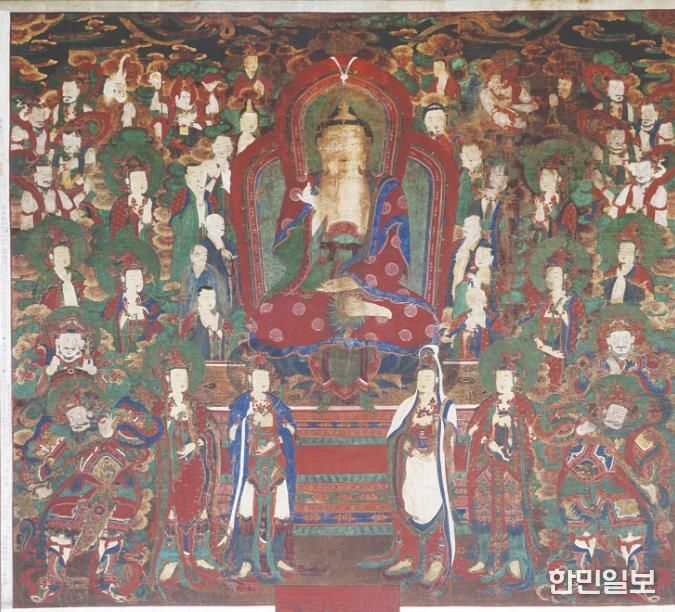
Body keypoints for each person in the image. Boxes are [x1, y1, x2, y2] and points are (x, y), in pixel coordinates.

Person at [250, 101, 437, 355]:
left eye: (352, 143)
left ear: (366, 146)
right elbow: (286, 250)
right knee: (269, 318)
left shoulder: (385, 188)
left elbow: (393, 253)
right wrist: (316, 212)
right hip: (317, 277)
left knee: (420, 321)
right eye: (334, 143)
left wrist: (353, 282)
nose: (343, 150)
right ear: (320, 146)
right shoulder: (306, 186)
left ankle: (372, 309)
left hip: (370, 280)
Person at [23, 389, 160, 603]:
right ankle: (52, 581)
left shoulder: (115, 426)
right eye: (70, 417)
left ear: (90, 413)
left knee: (114, 532)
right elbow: (46, 467)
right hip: (80, 490)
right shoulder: (67, 440)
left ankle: (107, 580)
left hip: (119, 489)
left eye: (79, 414)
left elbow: (145, 440)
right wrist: (46, 465)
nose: (76, 421)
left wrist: (112, 432)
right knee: (61, 529)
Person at [359, 345, 456, 588]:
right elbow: (394, 437)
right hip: (411, 465)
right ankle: (409, 555)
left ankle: (436, 558)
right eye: (420, 378)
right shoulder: (406, 407)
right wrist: (407, 445)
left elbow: (450, 436)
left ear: (436, 380)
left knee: (433, 506)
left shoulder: (446, 406)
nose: (423, 383)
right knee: (410, 504)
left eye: (428, 378)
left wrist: (436, 427)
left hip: (434, 468)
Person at [466, 356, 537, 586]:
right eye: (499, 378)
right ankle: (484, 556)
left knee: (513, 511)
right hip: (487, 465)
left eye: (506, 377)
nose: (502, 382)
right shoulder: (488, 404)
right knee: (483, 510)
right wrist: (490, 426)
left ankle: (515, 556)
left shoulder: (523, 405)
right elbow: (471, 430)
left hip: (512, 467)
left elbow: (533, 434)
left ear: (515, 380)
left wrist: (513, 425)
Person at [222, 366, 297, 582]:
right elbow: (232, 433)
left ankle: (278, 556)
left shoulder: (277, 403)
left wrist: (280, 437)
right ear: (249, 379)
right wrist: (248, 425)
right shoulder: (242, 404)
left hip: (275, 463)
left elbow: (291, 429)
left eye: (266, 377)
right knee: (248, 512)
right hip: (251, 465)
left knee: (279, 510)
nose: (263, 381)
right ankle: (245, 559)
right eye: (258, 377)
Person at [152, 353, 220, 587]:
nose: (181, 381)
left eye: (184, 377)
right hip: (168, 467)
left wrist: (196, 442)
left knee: (197, 508)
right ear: (167, 379)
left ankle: (199, 554)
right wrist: (170, 422)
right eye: (177, 376)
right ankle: (170, 558)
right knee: (171, 510)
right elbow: (151, 434)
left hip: (193, 467)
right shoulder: (160, 407)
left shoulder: (196, 407)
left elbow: (212, 432)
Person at [103, 265, 164, 353]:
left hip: (144, 349)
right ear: (124, 280)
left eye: (140, 278)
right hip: (121, 348)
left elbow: (158, 326)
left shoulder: (149, 302)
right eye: (132, 279)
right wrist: (123, 316)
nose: (137, 283)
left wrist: (143, 313)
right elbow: (106, 323)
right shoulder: (115, 302)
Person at [180, 286, 233, 361]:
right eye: (206, 297)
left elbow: (231, 344)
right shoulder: (191, 320)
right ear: (198, 299)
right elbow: (183, 343)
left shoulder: (223, 322)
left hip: (220, 365)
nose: (210, 301)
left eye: (213, 297)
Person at [179, 244, 230, 321]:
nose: (202, 258)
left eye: (205, 255)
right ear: (191, 257)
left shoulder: (213, 272)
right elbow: (184, 297)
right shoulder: (187, 271)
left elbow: (221, 298)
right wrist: (182, 318)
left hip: (209, 314)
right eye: (198, 255)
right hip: (190, 315)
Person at [109, 160, 154, 240]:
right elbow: (116, 231)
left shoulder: (151, 202)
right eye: (135, 179)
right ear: (128, 181)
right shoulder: (122, 203)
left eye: (143, 178)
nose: (141, 183)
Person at [601, 238, 654, 305]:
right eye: (621, 251)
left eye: (628, 252)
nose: (623, 256)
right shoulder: (611, 273)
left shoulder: (643, 275)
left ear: (636, 253)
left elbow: (647, 302)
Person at [33, 243, 84, 309]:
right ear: (51, 256)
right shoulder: (45, 278)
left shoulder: (76, 275)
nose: (65, 258)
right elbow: (39, 303)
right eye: (61, 255)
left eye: (67, 255)